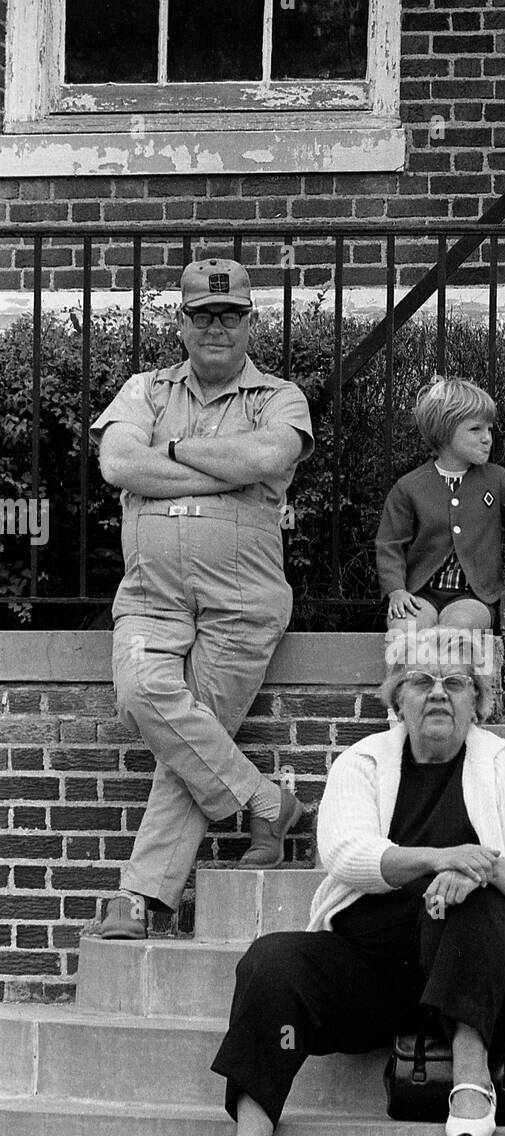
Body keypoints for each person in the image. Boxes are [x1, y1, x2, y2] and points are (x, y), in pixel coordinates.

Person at [193, 629, 505, 1136]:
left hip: (482, 965)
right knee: (272, 961)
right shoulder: (364, 761)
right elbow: (345, 853)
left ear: (479, 701)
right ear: (398, 698)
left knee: (471, 899)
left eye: (456, 683)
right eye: (422, 681)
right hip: (382, 970)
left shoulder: (504, 764)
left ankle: (471, 1078)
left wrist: (479, 871)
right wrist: (438, 858)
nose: (438, 694)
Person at [88, 259, 314, 940]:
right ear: (180, 323)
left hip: (241, 600)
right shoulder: (143, 389)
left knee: (188, 746)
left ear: (250, 323)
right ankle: (263, 799)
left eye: (231, 315)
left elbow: (267, 460)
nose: (217, 326)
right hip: (151, 597)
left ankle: (140, 896)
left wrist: (178, 451)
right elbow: (120, 464)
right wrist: (224, 471)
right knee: (143, 696)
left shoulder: (279, 397)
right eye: (202, 315)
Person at [375, 376, 505, 634]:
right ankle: (412, 676)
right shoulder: (409, 486)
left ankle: (452, 676)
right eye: (476, 429)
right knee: (405, 629)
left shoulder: (496, 479)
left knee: (459, 628)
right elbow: (390, 544)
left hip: (472, 597)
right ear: (444, 432)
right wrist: (396, 590)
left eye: (489, 429)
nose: (487, 438)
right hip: (420, 595)